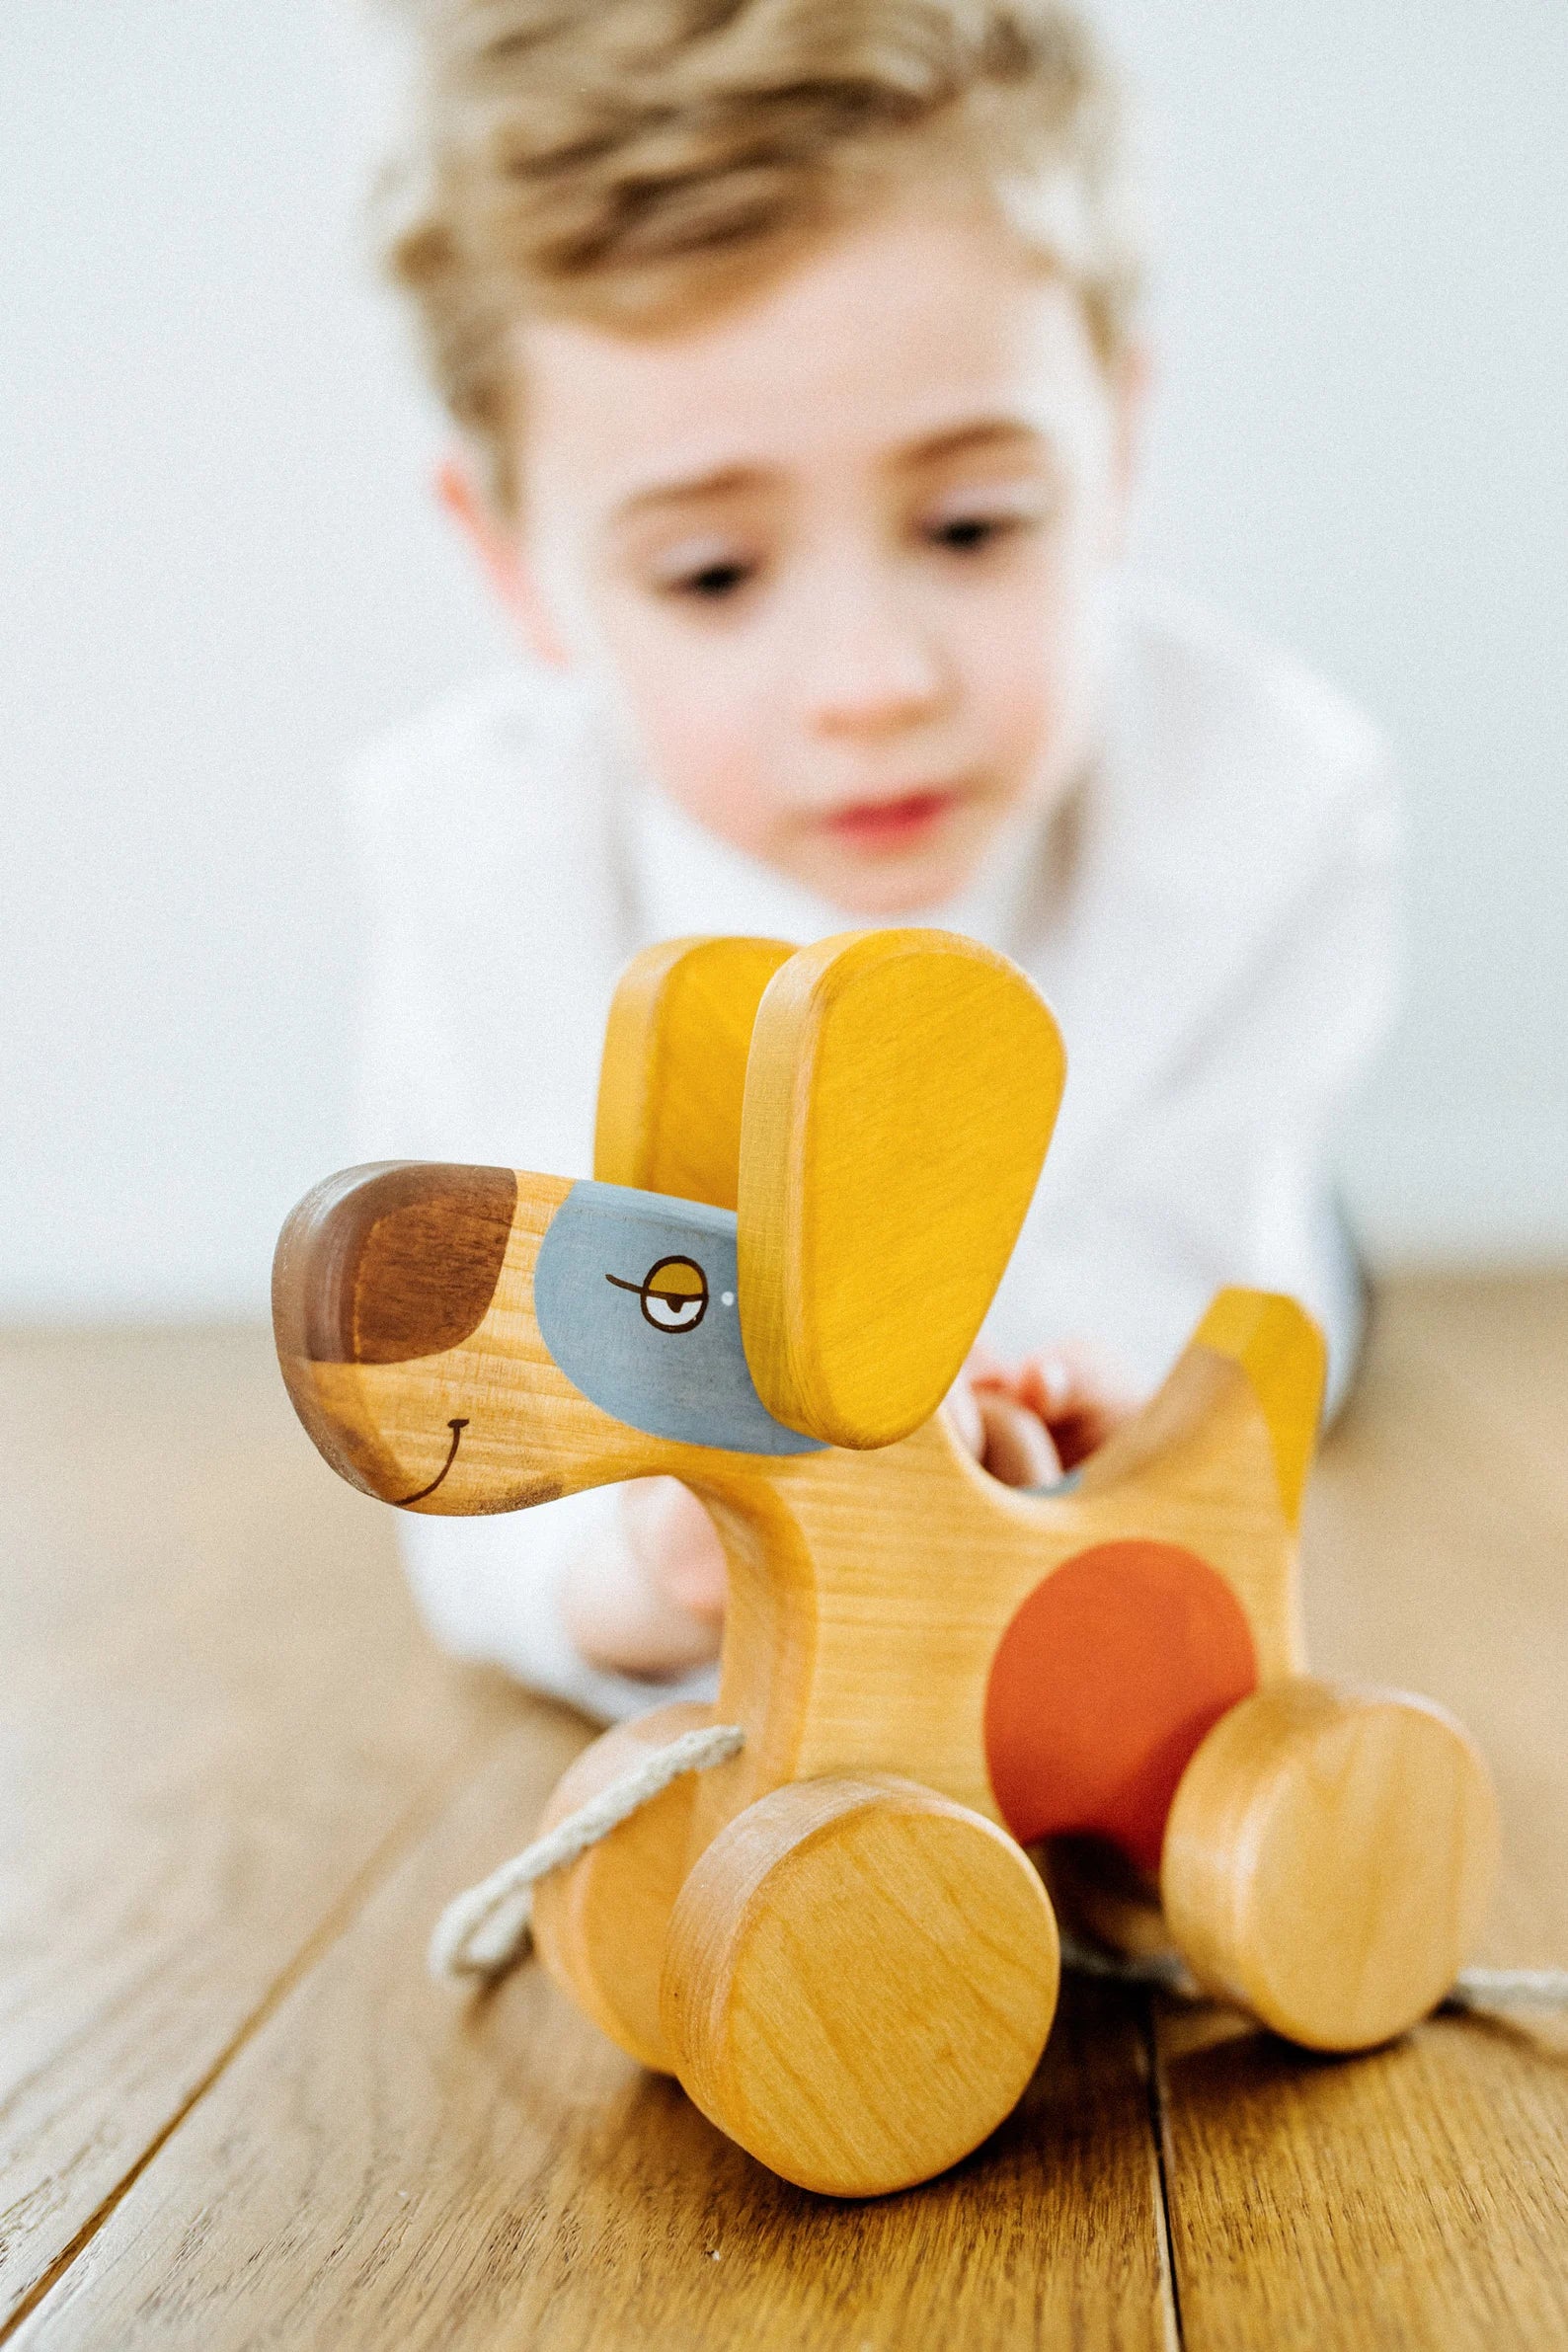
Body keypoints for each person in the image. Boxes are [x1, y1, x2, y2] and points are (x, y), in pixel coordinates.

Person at [350, 0, 1396, 1722]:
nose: (874, 686)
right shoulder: (484, 860)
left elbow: (1205, 1361)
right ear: (516, 562)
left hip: (1153, 1174)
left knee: (1305, 1320)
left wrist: (1118, 1447)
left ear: (1114, 448)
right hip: (771, 1306)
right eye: (711, 576)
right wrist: (640, 1575)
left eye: (973, 527)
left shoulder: (1268, 797)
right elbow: (469, 1447)